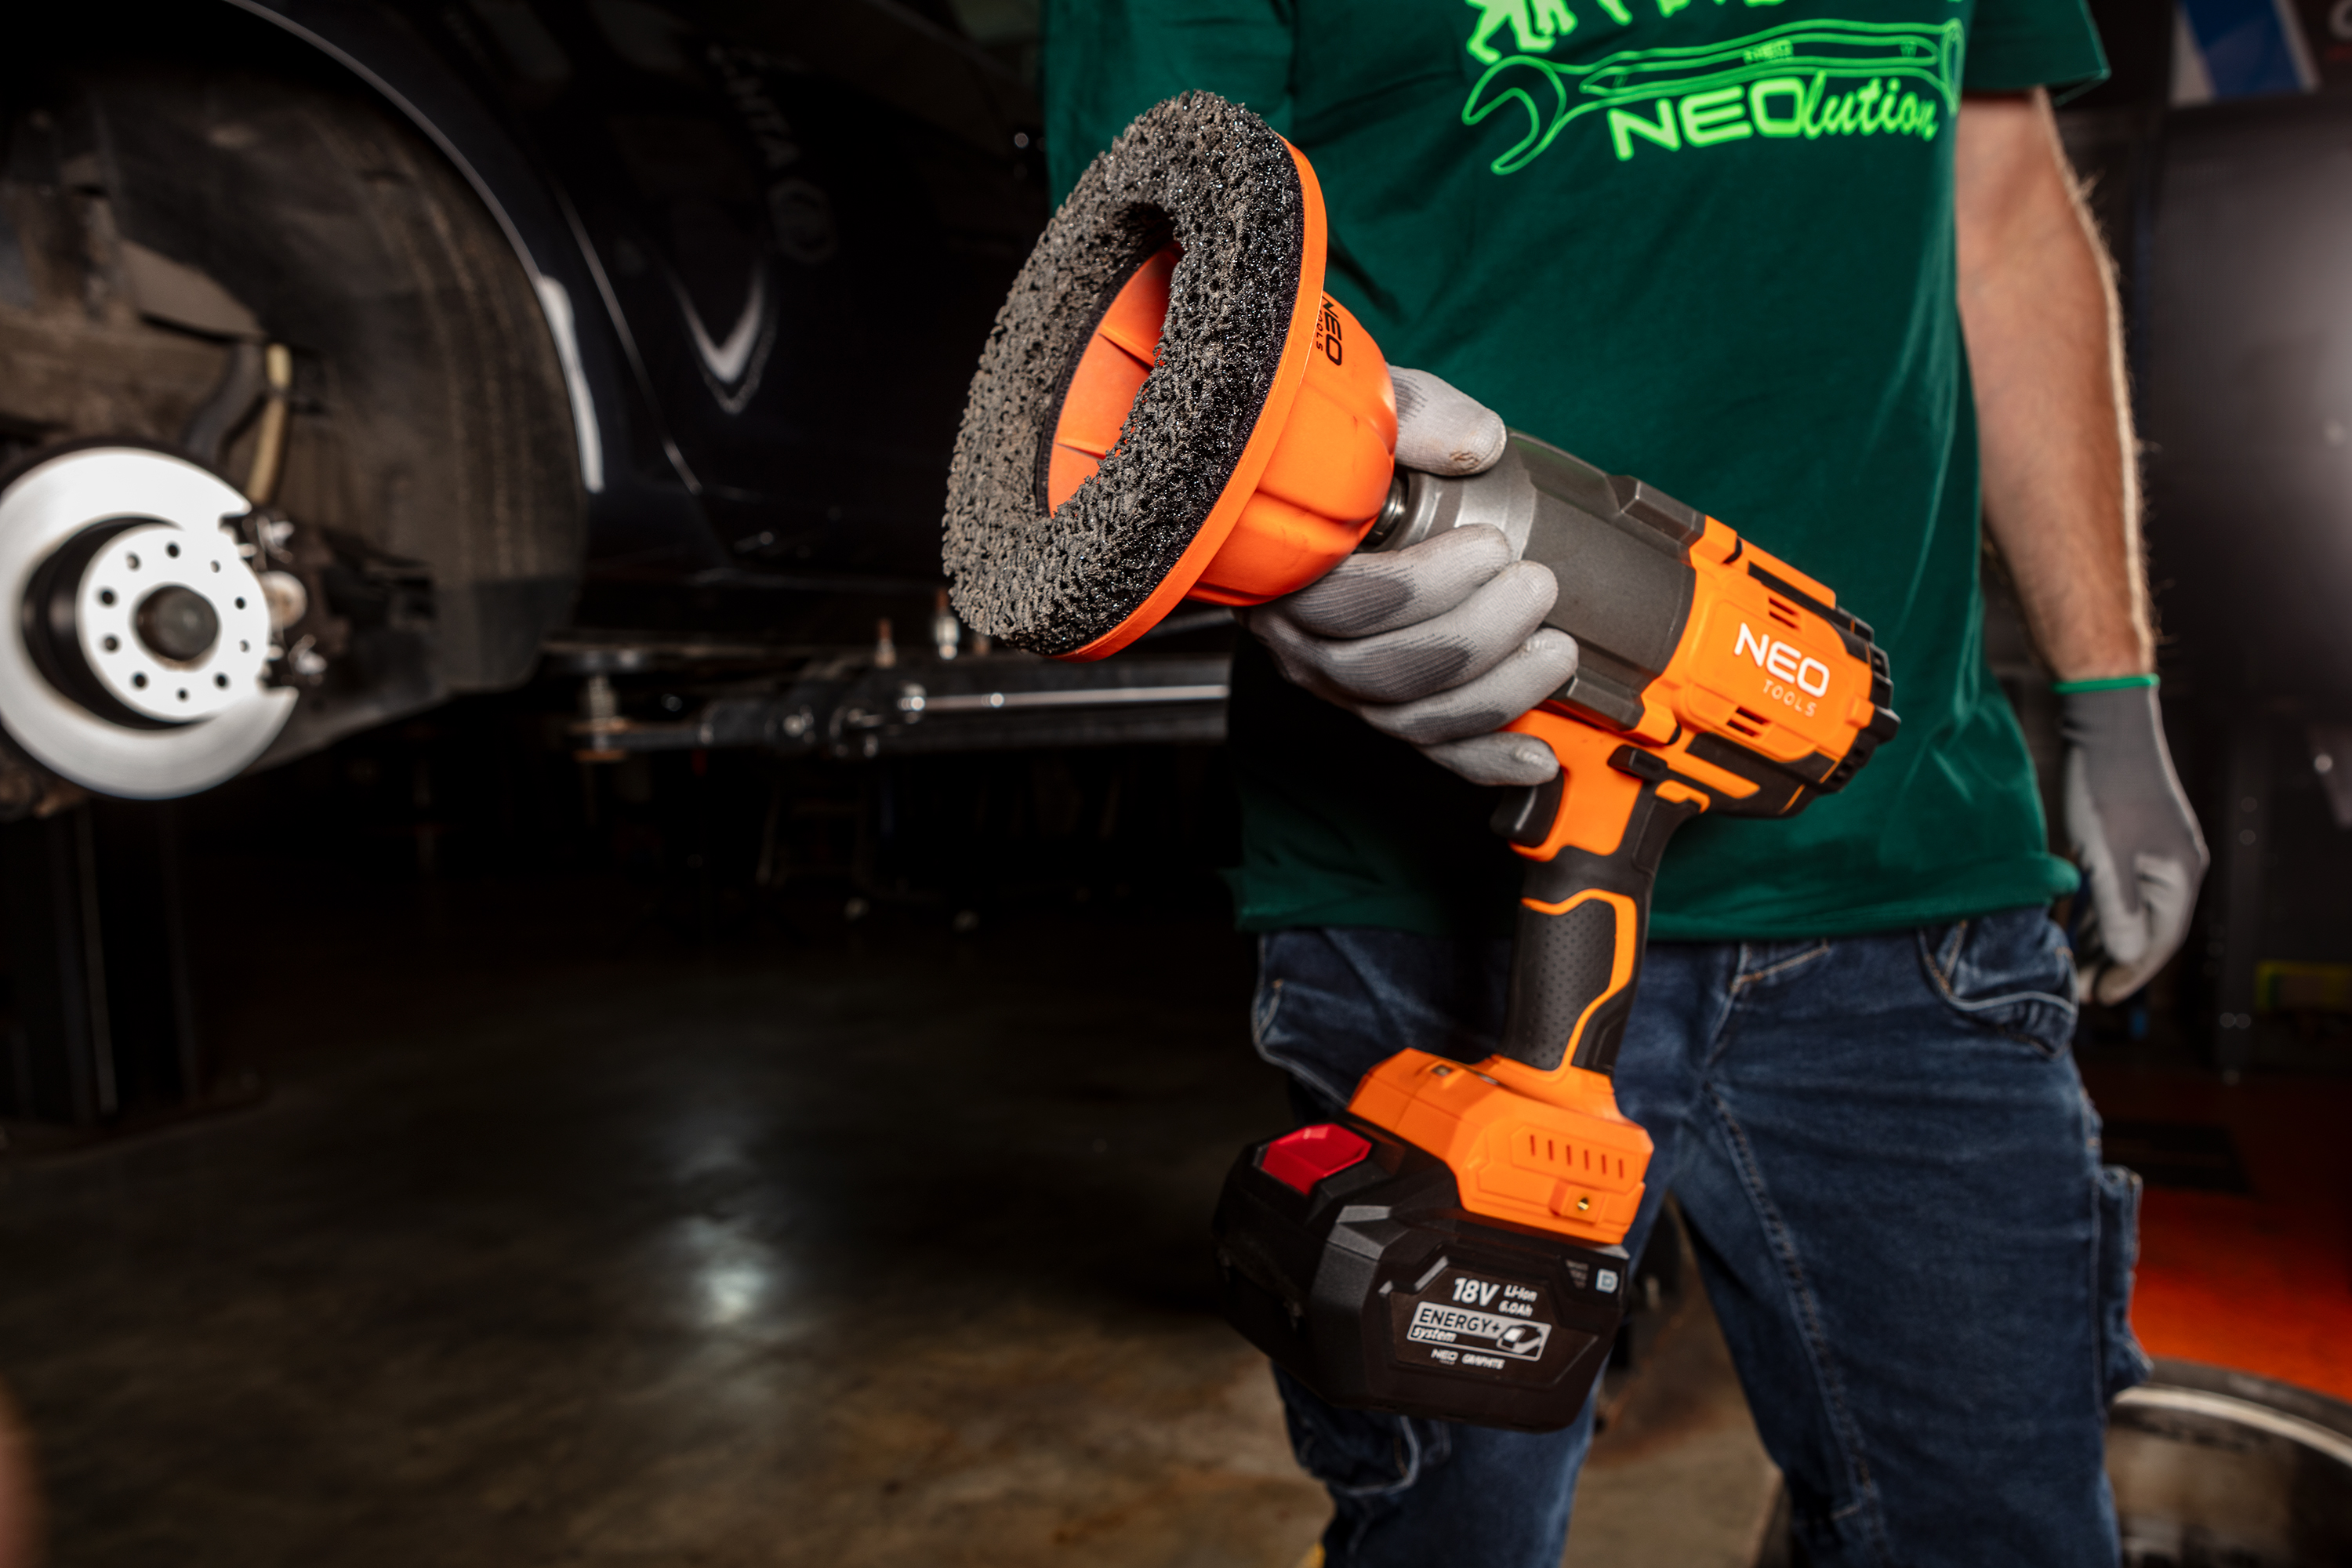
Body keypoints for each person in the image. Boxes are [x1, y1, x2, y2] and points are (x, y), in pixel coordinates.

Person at [1043, 2, 2208, 1565]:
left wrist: (2114, 695)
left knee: (1997, 1532)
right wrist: (1290, 566)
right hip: (1416, 908)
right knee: (1447, 1540)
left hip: (1913, 877)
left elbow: (2001, 212)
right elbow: (1138, 300)